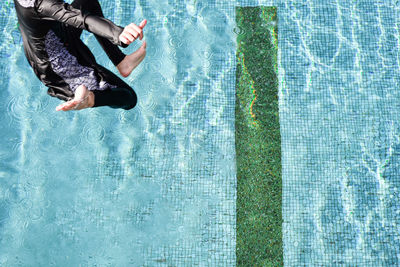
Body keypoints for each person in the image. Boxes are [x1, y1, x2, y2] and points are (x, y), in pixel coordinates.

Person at [14, 0, 147, 111]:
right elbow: (79, 18)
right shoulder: (42, 4)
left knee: (88, 2)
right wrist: (117, 33)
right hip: (59, 65)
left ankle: (121, 61)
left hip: (57, 35)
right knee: (129, 98)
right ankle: (90, 99)